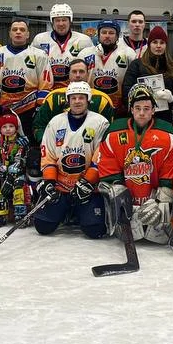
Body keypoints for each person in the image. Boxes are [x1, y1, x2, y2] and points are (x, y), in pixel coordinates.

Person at [95, 84, 173, 244]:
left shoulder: (169, 134)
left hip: (154, 199)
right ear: (131, 109)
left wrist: (161, 200)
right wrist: (120, 194)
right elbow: (108, 168)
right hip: (127, 197)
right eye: (137, 108)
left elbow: (171, 173)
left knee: (158, 233)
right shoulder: (113, 132)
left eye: (146, 108)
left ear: (153, 110)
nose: (142, 113)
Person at [34, 82, 111, 238]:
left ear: (88, 100)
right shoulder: (55, 122)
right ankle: (67, 209)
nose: (77, 101)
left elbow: (101, 158)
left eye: (81, 98)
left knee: (95, 230)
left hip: (87, 187)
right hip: (61, 186)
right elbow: (48, 156)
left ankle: (76, 211)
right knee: (43, 226)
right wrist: (49, 182)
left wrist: (88, 182)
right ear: (67, 100)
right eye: (73, 98)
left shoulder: (100, 123)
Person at [0, 18, 50, 131]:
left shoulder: (39, 55)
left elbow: (45, 83)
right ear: (10, 33)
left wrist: (39, 107)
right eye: (15, 29)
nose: (18, 32)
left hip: (29, 108)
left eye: (22, 30)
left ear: (28, 34)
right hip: (2, 108)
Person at [31, 58, 115, 143]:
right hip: (57, 147)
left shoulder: (102, 99)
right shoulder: (53, 97)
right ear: (69, 74)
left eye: (81, 71)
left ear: (88, 74)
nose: (78, 75)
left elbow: (108, 132)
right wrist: (47, 144)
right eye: (74, 72)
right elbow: (38, 127)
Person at [122, 25, 173, 126]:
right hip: (140, 119)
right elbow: (126, 93)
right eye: (155, 42)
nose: (158, 46)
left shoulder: (172, 68)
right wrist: (139, 98)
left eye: (162, 42)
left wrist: (171, 98)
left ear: (166, 45)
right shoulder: (136, 65)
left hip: (165, 119)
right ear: (149, 44)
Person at [80, 19, 138, 113]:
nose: (107, 36)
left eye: (111, 33)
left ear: (117, 36)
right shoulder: (85, 54)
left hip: (119, 108)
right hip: (91, 105)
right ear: (98, 35)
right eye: (104, 32)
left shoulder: (129, 54)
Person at [31, 3, 93, 88]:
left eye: (64, 20)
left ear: (70, 21)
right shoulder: (40, 39)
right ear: (52, 22)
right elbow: (32, 68)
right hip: (47, 89)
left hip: (75, 90)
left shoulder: (84, 40)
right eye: (57, 20)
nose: (61, 24)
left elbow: (90, 69)